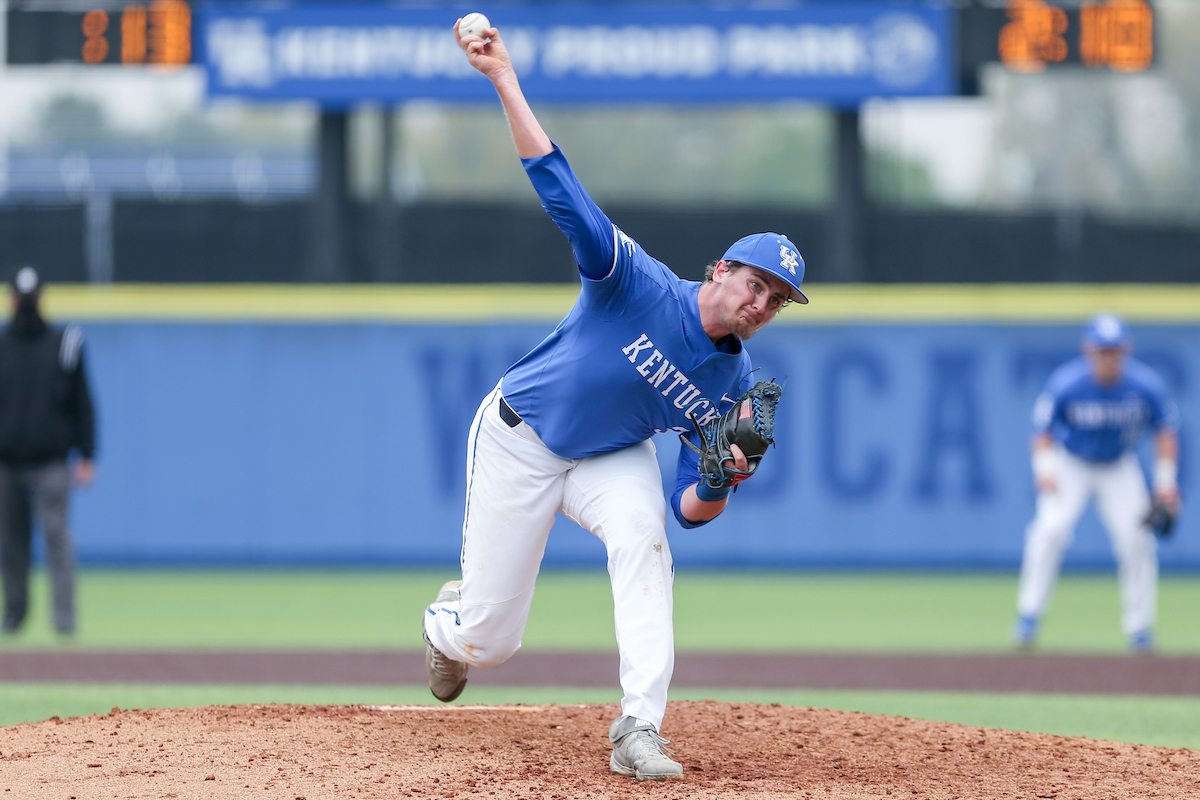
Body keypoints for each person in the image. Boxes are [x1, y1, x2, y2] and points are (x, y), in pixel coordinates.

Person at [421, 19, 809, 782]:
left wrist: (725, 475)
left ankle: (639, 727)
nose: (763, 303)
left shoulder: (734, 382)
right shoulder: (635, 280)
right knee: (489, 643)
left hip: (610, 456)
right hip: (520, 437)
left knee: (645, 544)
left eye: (778, 300)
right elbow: (557, 184)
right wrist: (503, 77)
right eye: (758, 284)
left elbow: (688, 510)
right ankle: (447, 624)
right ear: (721, 271)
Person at [1013, 313, 1180, 654]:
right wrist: (1045, 470)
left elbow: (1165, 431)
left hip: (1119, 465)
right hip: (1071, 463)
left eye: (1114, 350)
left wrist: (1165, 483)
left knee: (1137, 540)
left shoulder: (1145, 385)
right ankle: (1028, 618)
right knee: (1051, 529)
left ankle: (1140, 629)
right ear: (1088, 349)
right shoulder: (1068, 383)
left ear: (1126, 350)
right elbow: (1042, 432)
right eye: (1102, 350)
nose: (1108, 357)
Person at [0, 266, 96, 636]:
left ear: (41, 298)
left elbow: (83, 403)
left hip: (52, 460)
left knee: (57, 536)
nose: (25, 304)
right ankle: (14, 615)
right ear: (11, 299)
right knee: (11, 543)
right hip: (6, 461)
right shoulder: (3, 346)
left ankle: (64, 620)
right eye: (20, 297)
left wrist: (87, 455)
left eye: (30, 297)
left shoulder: (64, 343)